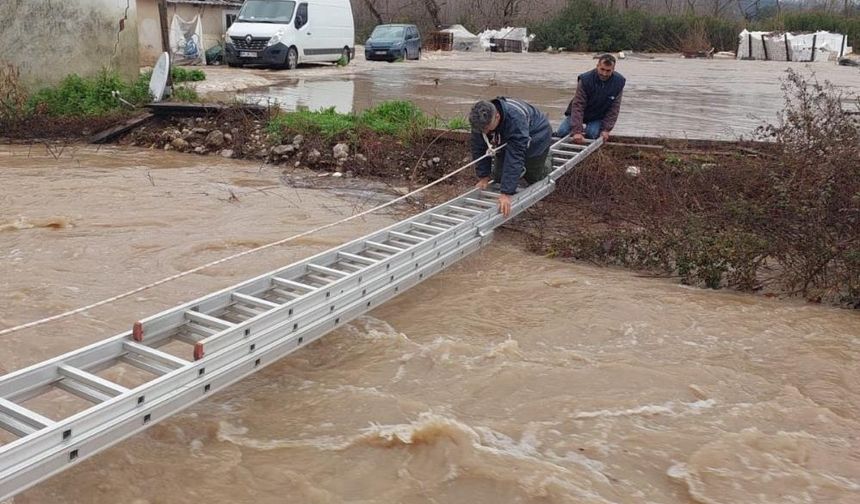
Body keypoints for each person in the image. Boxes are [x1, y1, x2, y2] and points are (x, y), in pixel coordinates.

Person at [469, 98, 552, 217]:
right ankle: (516, 174)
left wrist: (506, 193)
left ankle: (547, 158)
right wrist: (484, 176)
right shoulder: (479, 121)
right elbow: (478, 147)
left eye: (487, 128)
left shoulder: (515, 120)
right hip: (507, 136)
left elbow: (515, 156)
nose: (485, 131)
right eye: (482, 129)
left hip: (537, 134)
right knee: (498, 177)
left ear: (497, 116)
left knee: (534, 176)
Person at [555, 53, 626, 144]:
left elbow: (614, 109)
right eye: (602, 69)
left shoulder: (619, 82)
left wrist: (606, 129)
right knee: (562, 132)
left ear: (613, 69)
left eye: (608, 71)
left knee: (592, 134)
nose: (604, 73)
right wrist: (577, 131)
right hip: (580, 112)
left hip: (597, 115)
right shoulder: (585, 79)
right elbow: (578, 105)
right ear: (597, 66)